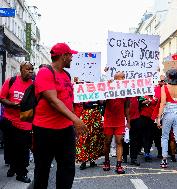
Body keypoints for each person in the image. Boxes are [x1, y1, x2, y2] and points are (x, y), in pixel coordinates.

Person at [32, 43, 87, 189]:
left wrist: (72, 123)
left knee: (67, 169)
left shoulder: (66, 75)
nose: (72, 58)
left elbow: (68, 101)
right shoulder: (45, 72)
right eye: (70, 55)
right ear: (63, 56)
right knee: (42, 170)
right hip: (45, 130)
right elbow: (54, 101)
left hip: (65, 130)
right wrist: (76, 120)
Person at [0, 62, 34, 183]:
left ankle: (21, 173)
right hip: (9, 120)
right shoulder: (11, 80)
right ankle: (13, 167)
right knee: (10, 147)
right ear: (21, 69)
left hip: (25, 120)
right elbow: (2, 98)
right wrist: (12, 105)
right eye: (27, 69)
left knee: (23, 149)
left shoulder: (34, 85)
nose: (30, 71)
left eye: (32, 69)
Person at [157, 69, 177, 170]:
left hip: (168, 114)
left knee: (165, 136)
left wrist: (158, 117)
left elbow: (163, 103)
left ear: (168, 77)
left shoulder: (164, 87)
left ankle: (164, 159)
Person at [102, 72, 130, 174]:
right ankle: (106, 161)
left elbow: (127, 107)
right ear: (116, 79)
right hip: (109, 119)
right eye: (122, 77)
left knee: (119, 141)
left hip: (120, 120)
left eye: (124, 77)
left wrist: (128, 121)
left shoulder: (126, 90)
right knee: (107, 142)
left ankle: (119, 165)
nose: (124, 78)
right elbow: (101, 101)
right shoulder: (109, 87)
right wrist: (107, 87)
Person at [76, 101, 104, 170]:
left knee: (95, 138)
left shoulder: (97, 91)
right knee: (84, 138)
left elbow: (101, 102)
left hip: (96, 114)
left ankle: (92, 160)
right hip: (86, 113)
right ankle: (83, 161)